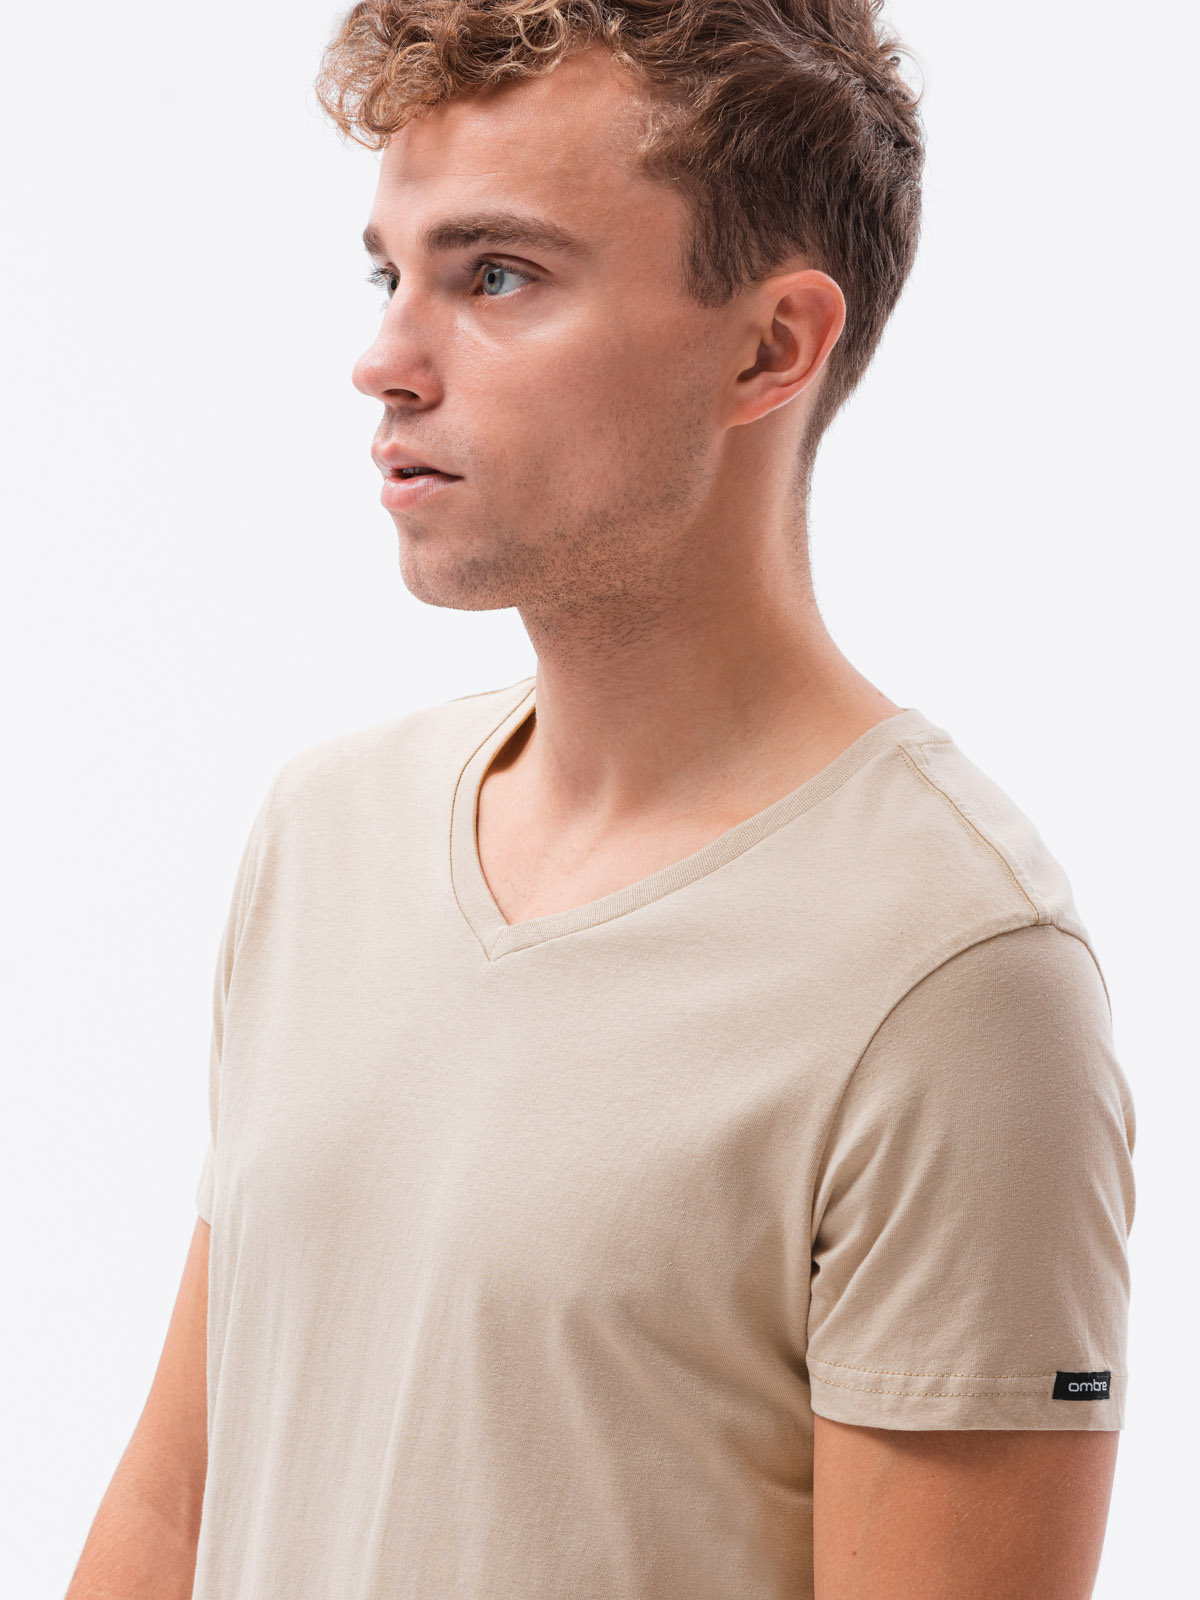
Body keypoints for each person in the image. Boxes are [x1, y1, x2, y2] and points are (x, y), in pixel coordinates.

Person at [66, 3, 1136, 1597]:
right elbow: (178, 1508)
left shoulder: (956, 977)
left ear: (770, 347)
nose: (385, 361)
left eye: (497, 276)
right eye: (390, 273)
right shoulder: (327, 833)